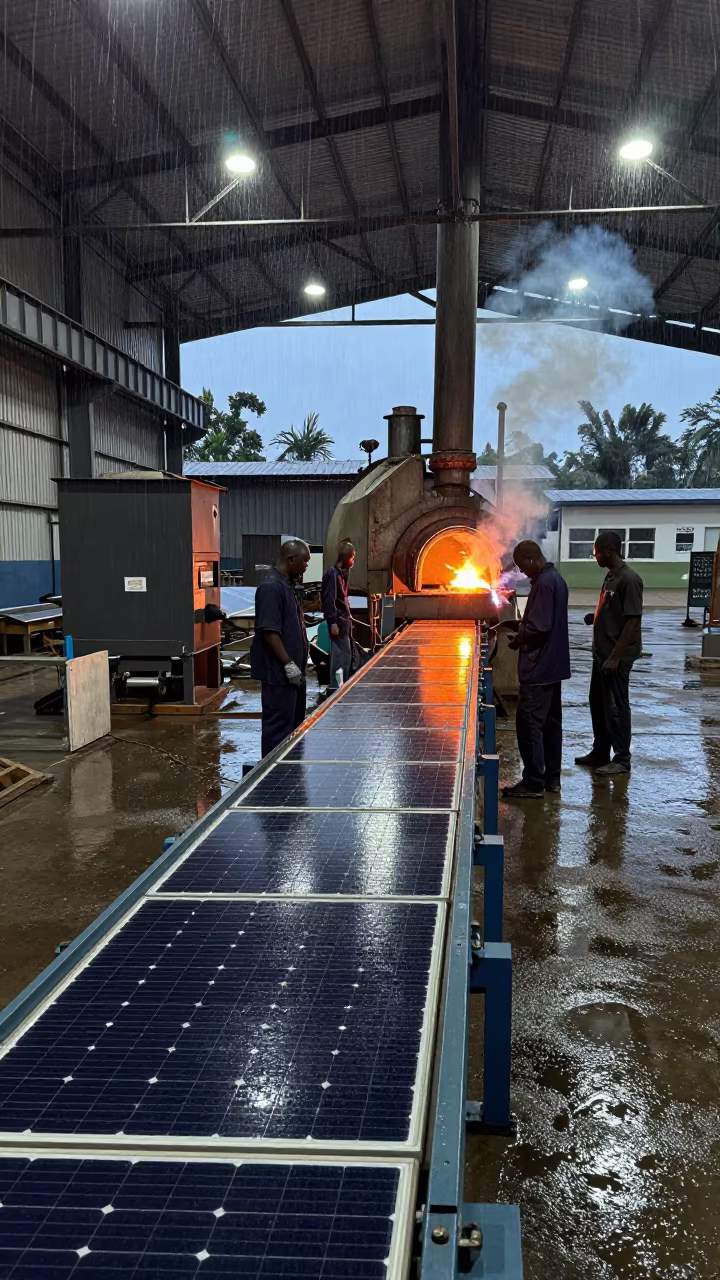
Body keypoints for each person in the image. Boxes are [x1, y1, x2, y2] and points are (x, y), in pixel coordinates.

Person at [502, 540, 571, 799]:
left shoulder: (543, 583)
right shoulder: (557, 579)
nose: (523, 572)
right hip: (554, 667)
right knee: (551, 726)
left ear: (531, 559)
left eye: (522, 566)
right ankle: (552, 779)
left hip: (538, 668)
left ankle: (533, 782)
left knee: (529, 724)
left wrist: (520, 636)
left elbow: (539, 627)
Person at [575, 530, 643, 776]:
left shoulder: (629, 579)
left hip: (616, 656)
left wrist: (615, 657)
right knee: (598, 703)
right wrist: (597, 617)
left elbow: (633, 622)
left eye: (596, 553)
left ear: (609, 551)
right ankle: (600, 751)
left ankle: (622, 759)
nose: (595, 558)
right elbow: (616, 611)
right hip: (601, 654)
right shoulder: (611, 577)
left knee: (616, 707)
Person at [250, 538, 311, 756]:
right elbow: (269, 632)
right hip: (279, 676)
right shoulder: (271, 588)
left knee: (293, 727)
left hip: (294, 675)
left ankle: (287, 771)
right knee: (278, 729)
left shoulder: (287, 586)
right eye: (304, 562)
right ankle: (271, 778)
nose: (306, 567)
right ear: (291, 559)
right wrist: (288, 664)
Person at [321, 540, 356, 687]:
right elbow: (330, 600)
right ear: (346, 557)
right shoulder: (333, 574)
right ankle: (336, 687)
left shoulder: (341, 575)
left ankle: (342, 685)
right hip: (338, 623)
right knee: (341, 656)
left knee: (346, 655)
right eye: (352, 558)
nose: (353, 561)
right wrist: (333, 622)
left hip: (344, 621)